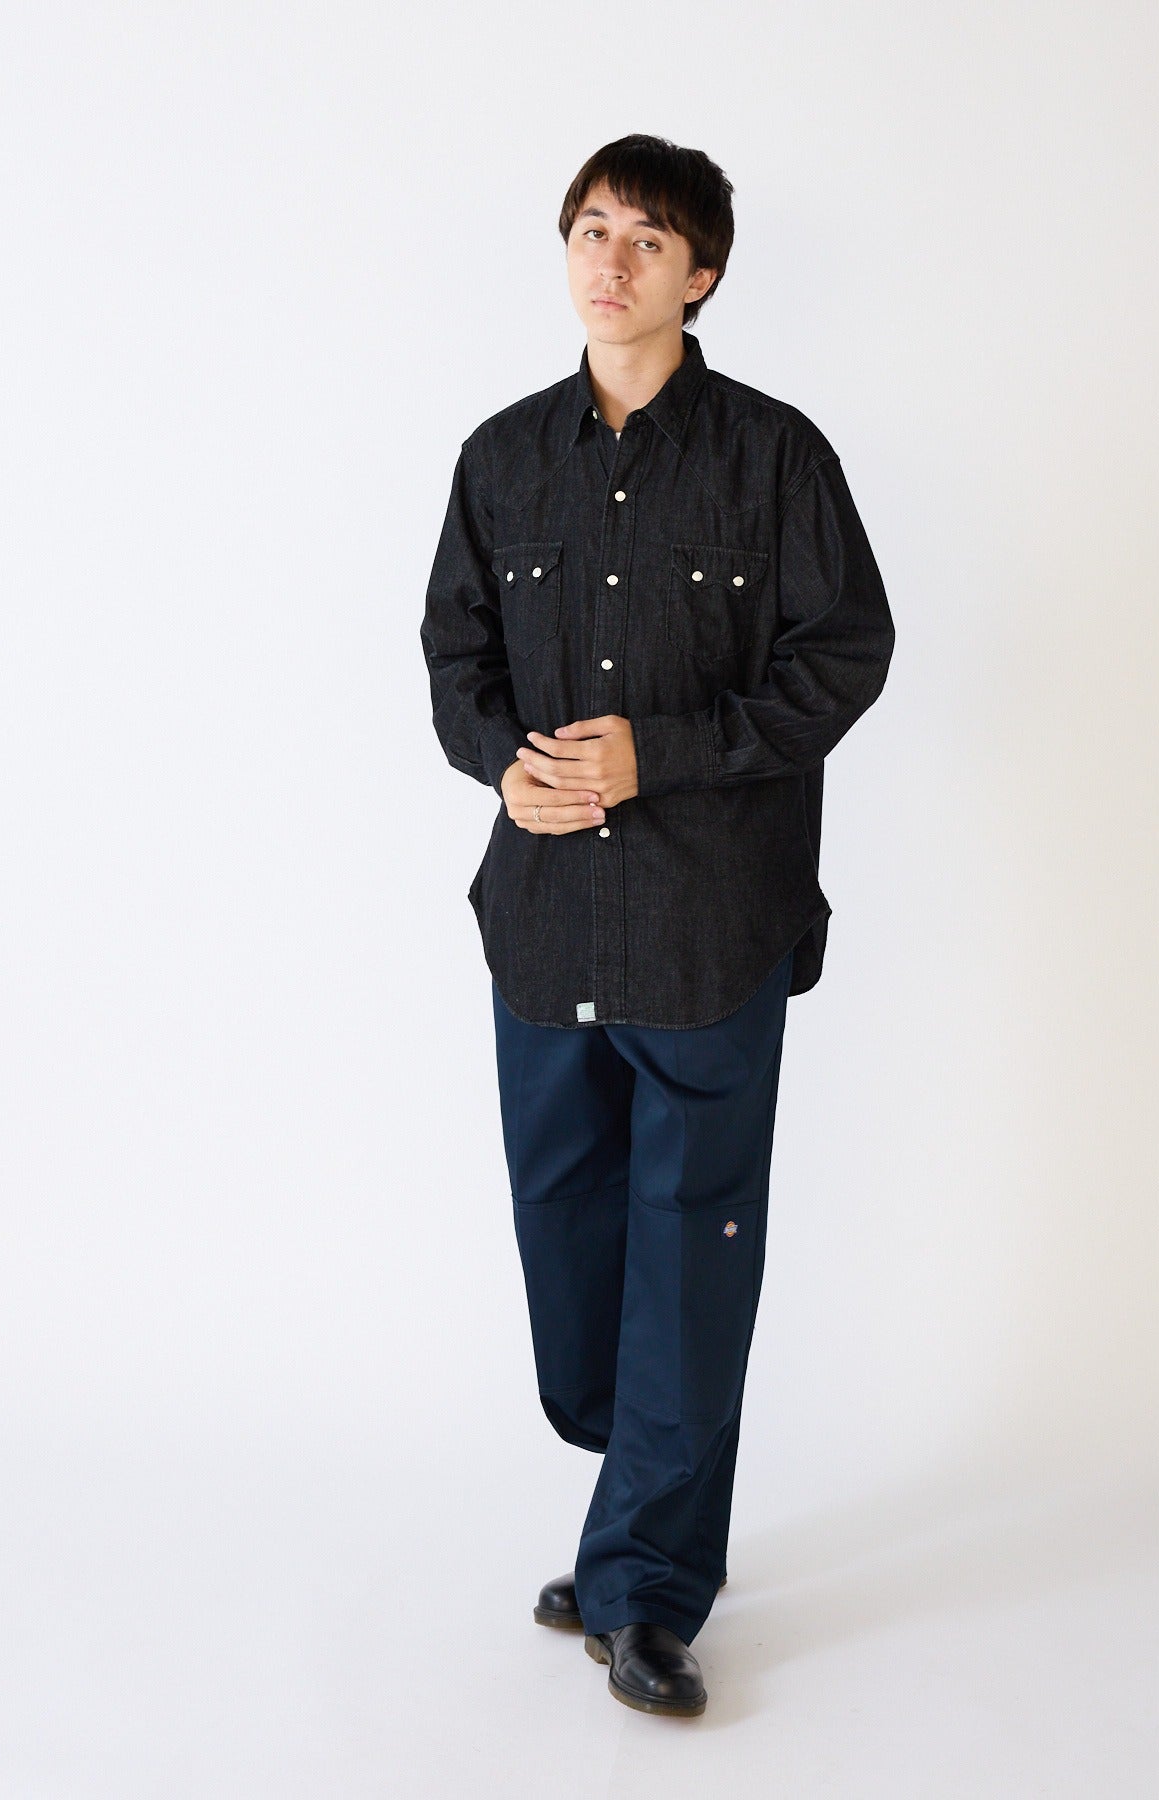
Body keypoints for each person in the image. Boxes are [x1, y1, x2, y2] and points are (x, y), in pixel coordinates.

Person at [420, 134, 894, 1717]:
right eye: (591, 231)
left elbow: (843, 657)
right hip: (546, 925)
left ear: (703, 275)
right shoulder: (502, 460)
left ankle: (645, 1586)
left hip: (708, 928)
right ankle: (643, 1501)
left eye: (647, 240)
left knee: (692, 1252)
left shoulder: (776, 459)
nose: (611, 263)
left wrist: (661, 755)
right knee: (570, 1244)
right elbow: (455, 659)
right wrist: (503, 764)